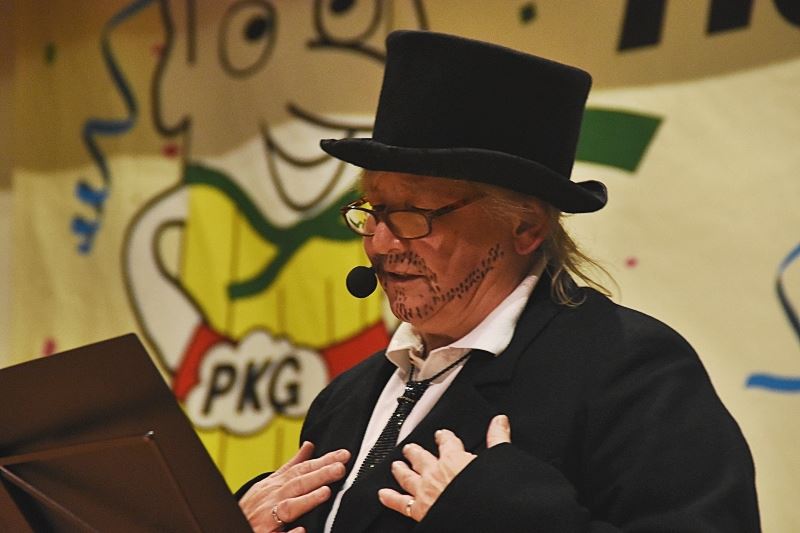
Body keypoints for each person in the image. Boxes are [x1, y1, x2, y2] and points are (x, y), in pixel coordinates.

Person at [236, 30, 760, 532]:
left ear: (526, 227)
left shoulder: (629, 372)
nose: (382, 242)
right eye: (375, 210)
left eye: (415, 213)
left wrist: (503, 516)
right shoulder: (346, 398)